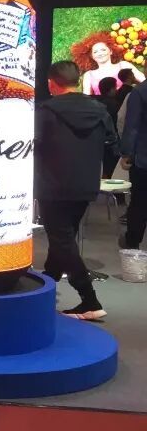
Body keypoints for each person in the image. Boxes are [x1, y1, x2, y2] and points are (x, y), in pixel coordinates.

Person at [36, 61, 117, 321]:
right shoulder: (99, 110)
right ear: (78, 80)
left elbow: (32, 143)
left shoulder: (45, 110)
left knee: (62, 239)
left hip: (53, 184)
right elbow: (112, 141)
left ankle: (89, 300)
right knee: (65, 238)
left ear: (51, 83)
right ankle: (49, 280)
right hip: (86, 184)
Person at [119, 75, 147, 251]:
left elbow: (132, 126)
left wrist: (126, 153)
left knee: (139, 201)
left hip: (143, 157)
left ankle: (133, 243)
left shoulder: (140, 92)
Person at [71, 35, 145, 96]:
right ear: (92, 56)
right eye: (95, 52)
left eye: (103, 50)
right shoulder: (88, 75)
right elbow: (86, 99)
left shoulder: (123, 65)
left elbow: (144, 81)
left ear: (110, 51)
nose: (100, 53)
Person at [99, 77, 121, 178]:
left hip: (102, 141)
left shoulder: (98, 104)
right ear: (111, 89)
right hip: (112, 142)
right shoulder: (114, 104)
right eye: (115, 88)